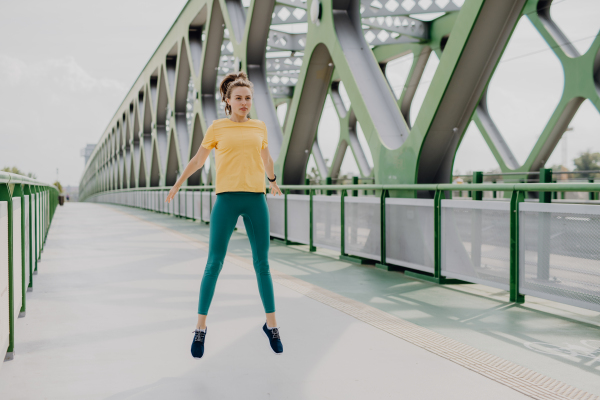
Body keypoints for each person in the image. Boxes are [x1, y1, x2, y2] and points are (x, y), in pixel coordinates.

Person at [166, 71, 284, 359]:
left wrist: (273, 181)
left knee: (262, 264)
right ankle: (200, 327)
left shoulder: (260, 126)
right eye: (239, 98)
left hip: (256, 199)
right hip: (226, 200)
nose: (244, 102)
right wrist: (178, 183)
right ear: (227, 101)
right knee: (213, 263)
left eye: (248, 98)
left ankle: (271, 326)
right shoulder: (218, 128)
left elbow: (265, 157)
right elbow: (198, 159)